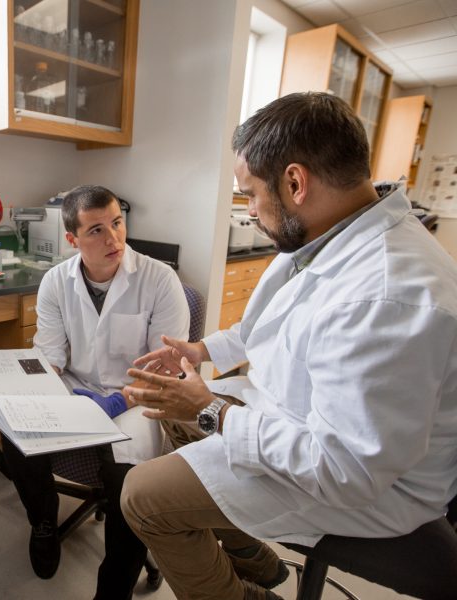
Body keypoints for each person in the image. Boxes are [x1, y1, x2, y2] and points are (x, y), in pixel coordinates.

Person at [119, 92, 457, 600]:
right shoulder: (322, 235)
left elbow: (348, 471)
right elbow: (261, 330)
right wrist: (199, 353)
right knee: (169, 410)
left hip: (363, 486)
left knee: (141, 496)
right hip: (296, 419)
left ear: (295, 183)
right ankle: (260, 562)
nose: (250, 210)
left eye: (251, 194)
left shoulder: (389, 295)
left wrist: (213, 411)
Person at [2, 184, 190, 599]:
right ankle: (44, 523)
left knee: (129, 480)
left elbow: (166, 367)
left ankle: (114, 587)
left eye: (118, 223)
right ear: (72, 240)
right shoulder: (55, 282)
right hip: (77, 386)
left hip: (140, 397)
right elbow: (50, 353)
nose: (114, 239)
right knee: (13, 430)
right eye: (97, 231)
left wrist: (117, 400)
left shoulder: (159, 280)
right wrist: (32, 391)